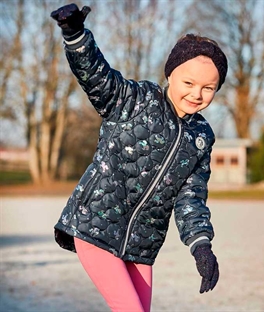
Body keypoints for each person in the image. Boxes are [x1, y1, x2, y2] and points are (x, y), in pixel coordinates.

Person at [51, 3, 228, 312]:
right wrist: (76, 35)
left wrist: (201, 246)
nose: (197, 94)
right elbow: (97, 77)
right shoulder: (135, 100)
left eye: (208, 88)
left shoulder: (201, 138)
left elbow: (191, 198)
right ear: (171, 75)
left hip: (141, 246)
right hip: (95, 226)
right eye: (189, 82)